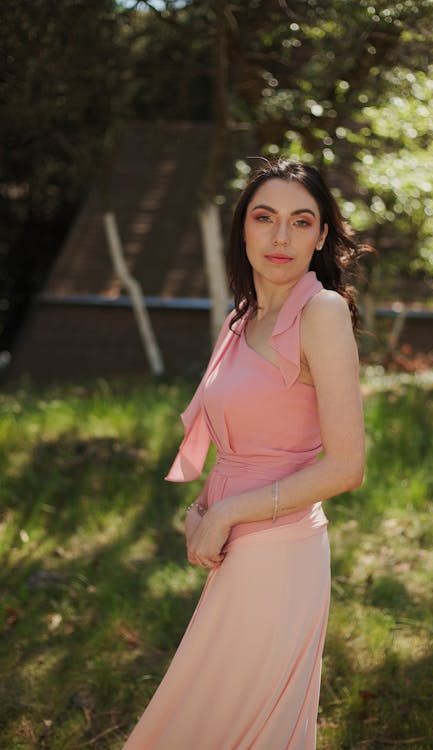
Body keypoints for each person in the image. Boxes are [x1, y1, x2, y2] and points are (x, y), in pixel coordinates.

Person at [122, 158, 367, 750]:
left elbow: (346, 466)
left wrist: (228, 514)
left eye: (300, 221)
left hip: (280, 551)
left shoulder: (322, 313)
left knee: (226, 722)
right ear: (244, 229)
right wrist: (202, 508)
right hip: (236, 547)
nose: (281, 237)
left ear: (321, 236)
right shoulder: (241, 318)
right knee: (208, 717)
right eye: (265, 218)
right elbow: (237, 443)